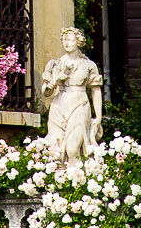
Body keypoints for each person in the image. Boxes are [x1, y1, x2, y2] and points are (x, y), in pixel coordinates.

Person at [40, 26, 103, 160]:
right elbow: (46, 92)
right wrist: (55, 80)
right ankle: (62, 178)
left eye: (70, 40)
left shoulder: (89, 65)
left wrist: (98, 117)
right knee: (56, 151)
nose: (66, 43)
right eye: (64, 40)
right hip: (59, 107)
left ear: (78, 42)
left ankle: (77, 177)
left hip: (79, 105)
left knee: (72, 149)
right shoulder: (55, 64)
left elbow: (95, 90)